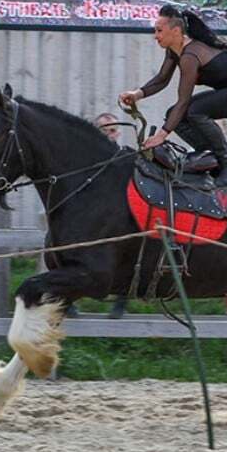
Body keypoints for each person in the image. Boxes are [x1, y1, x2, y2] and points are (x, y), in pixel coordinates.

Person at [119, 4, 227, 187]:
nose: (155, 36)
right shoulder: (174, 50)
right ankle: (208, 157)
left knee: (194, 111)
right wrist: (137, 94)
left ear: (176, 31)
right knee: (174, 115)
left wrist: (161, 135)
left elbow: (183, 101)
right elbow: (162, 79)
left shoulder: (190, 56)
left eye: (159, 30)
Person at [94, 111, 130, 319]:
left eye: (113, 130)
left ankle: (121, 301)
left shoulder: (125, 157)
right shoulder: (84, 161)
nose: (109, 134)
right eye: (104, 130)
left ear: (118, 133)